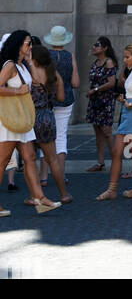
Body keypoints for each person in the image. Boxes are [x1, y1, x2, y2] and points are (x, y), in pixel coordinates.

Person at [0, 31, 61, 215]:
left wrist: (28, 59)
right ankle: (38, 198)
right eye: (27, 43)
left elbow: (36, 82)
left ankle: (39, 198)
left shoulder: (22, 65)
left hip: (23, 119)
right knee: (2, 161)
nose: (30, 46)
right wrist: (17, 92)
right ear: (18, 44)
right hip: (11, 120)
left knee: (30, 158)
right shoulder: (9, 65)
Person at [97, 42, 132, 201]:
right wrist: (125, 100)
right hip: (128, 114)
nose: (125, 60)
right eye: (124, 57)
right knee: (116, 152)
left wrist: (131, 103)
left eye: (127, 57)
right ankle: (112, 189)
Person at [28, 45, 73, 203]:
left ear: (34, 59)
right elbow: (61, 98)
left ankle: (35, 196)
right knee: (52, 158)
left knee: (30, 159)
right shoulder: (54, 74)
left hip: (31, 117)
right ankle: (64, 194)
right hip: (48, 116)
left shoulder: (30, 73)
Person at [41, 24, 77, 188]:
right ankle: (60, 175)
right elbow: (76, 82)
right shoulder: (70, 56)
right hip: (66, 100)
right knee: (61, 137)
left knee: (45, 137)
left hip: (47, 101)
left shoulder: (45, 57)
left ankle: (43, 176)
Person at [85, 36, 119, 172]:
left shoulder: (108, 62)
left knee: (107, 132)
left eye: (97, 45)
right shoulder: (95, 63)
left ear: (105, 48)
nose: (94, 47)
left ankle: (116, 160)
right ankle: (100, 162)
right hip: (95, 101)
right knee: (98, 133)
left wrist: (95, 90)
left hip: (105, 101)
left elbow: (112, 82)